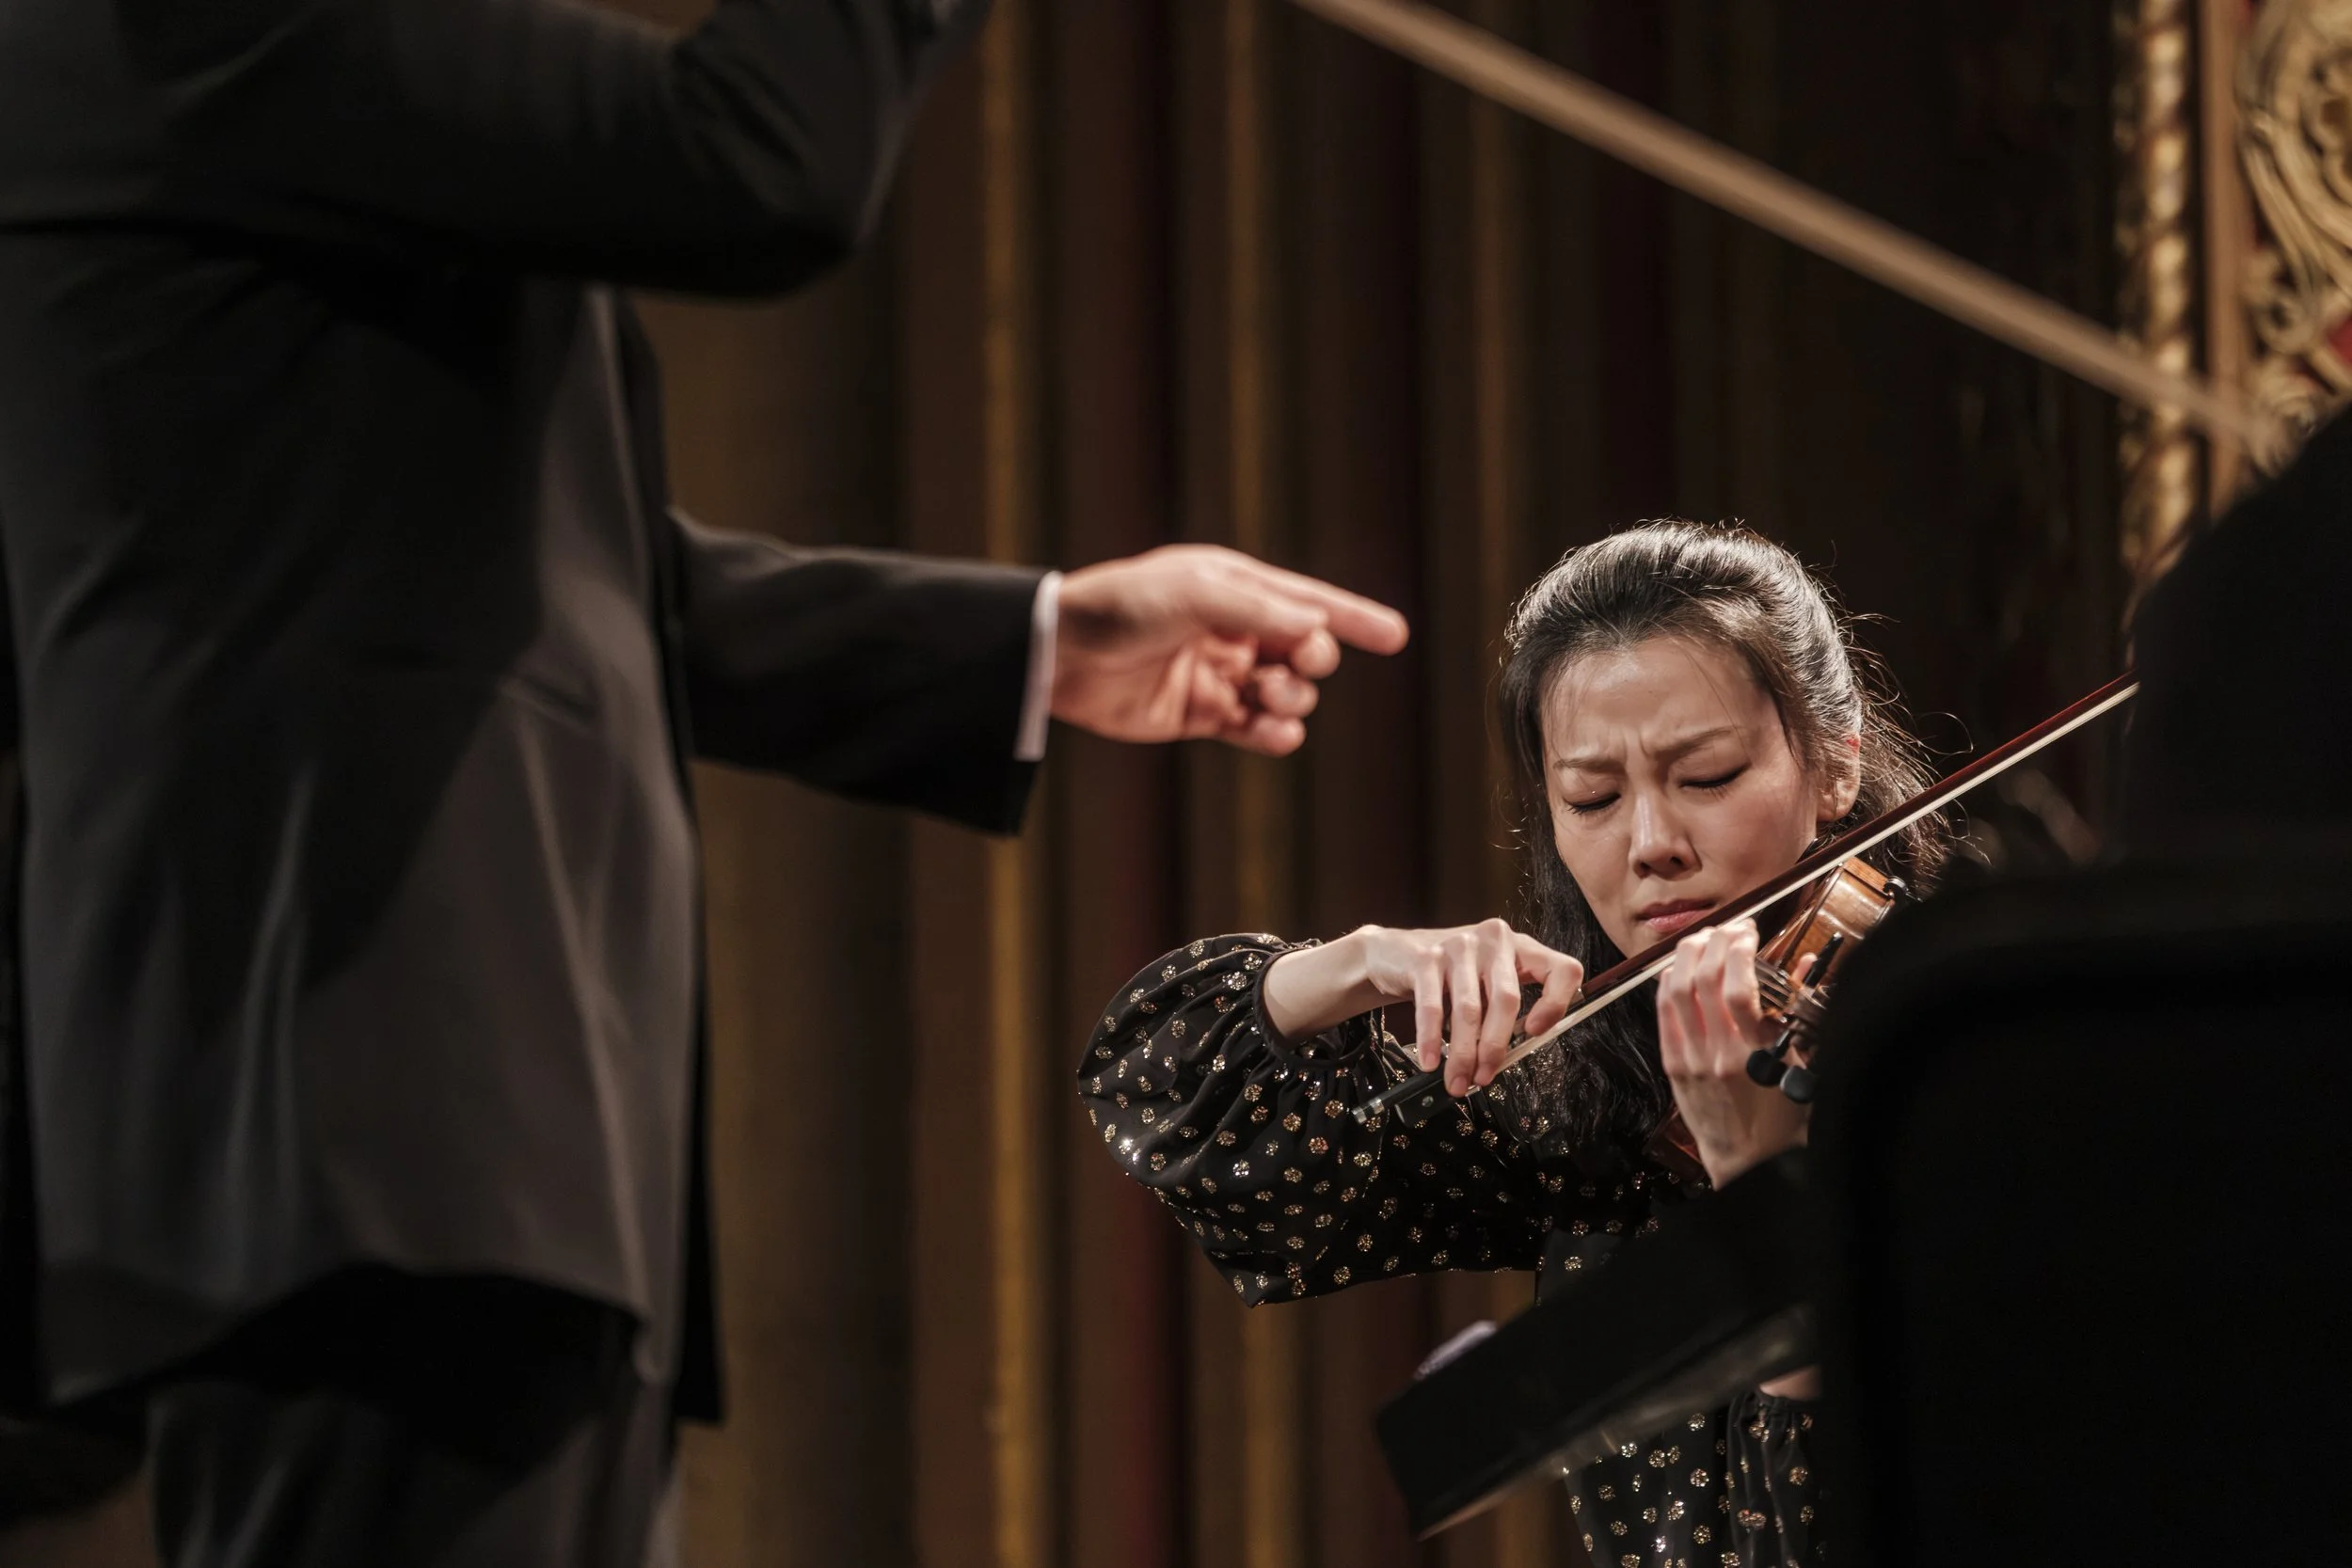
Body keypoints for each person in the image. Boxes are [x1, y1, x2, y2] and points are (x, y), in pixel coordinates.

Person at [0, 1, 1411, 1564]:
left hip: (426, 1150)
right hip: (365, 1124)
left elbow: (520, 566)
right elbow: (755, 159)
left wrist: (1034, 641)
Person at [1082, 520, 1947, 1566]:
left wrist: (1764, 1185)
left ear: (1835, 767)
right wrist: (1357, 963)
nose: (1651, 845)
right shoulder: (1594, 1100)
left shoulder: (1971, 1079)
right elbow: (1171, 1100)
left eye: (1709, 775)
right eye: (1592, 797)